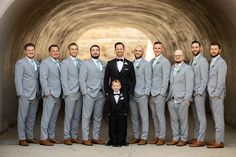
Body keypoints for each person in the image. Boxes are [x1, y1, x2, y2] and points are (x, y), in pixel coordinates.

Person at [104, 42, 135, 145]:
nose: (119, 50)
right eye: (117, 49)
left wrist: (129, 93)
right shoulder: (110, 63)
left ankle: (122, 140)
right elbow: (105, 80)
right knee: (112, 118)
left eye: (121, 48)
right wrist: (108, 93)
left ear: (123, 49)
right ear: (115, 50)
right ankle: (112, 140)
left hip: (125, 94)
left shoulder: (130, 64)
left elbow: (133, 80)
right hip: (112, 94)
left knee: (123, 118)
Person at [79, 45, 106, 146]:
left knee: (98, 117)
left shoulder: (104, 64)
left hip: (101, 94)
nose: (95, 52)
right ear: (90, 52)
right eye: (93, 50)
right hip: (89, 94)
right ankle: (85, 138)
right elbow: (82, 79)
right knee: (86, 116)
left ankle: (95, 137)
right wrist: (85, 92)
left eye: (97, 50)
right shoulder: (85, 64)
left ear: (99, 51)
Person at [166, 49, 194, 146]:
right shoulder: (172, 67)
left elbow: (190, 85)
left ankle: (184, 138)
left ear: (183, 57)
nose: (177, 57)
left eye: (179, 55)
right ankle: (175, 138)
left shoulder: (188, 68)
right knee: (173, 120)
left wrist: (187, 99)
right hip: (171, 98)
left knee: (183, 120)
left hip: (182, 99)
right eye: (175, 55)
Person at [15, 43, 40, 146]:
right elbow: (17, 79)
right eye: (28, 50)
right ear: (25, 51)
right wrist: (20, 93)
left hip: (35, 95)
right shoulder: (20, 63)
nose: (31, 52)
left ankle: (29, 136)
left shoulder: (37, 63)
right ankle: (22, 138)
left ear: (34, 51)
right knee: (22, 117)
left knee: (31, 117)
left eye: (32, 50)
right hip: (25, 94)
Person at [149, 42, 171, 145]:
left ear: (162, 49)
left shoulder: (165, 61)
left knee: (160, 115)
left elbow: (166, 78)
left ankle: (162, 137)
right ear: (153, 49)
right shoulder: (152, 61)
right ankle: (157, 136)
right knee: (154, 116)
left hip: (159, 94)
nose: (157, 50)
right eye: (155, 48)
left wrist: (162, 93)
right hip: (151, 93)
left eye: (159, 48)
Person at [39, 44, 62, 146]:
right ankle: (43, 138)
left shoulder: (59, 63)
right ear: (50, 52)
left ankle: (51, 136)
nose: (56, 52)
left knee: (53, 117)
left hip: (58, 94)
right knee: (46, 116)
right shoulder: (45, 63)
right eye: (53, 51)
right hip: (50, 94)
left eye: (57, 51)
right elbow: (43, 78)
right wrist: (47, 92)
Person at [129, 46, 151, 145]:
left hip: (142, 94)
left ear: (142, 52)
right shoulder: (131, 63)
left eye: (139, 51)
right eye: (136, 50)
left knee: (144, 117)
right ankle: (136, 136)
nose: (137, 52)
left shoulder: (146, 64)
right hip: (132, 95)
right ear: (134, 52)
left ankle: (144, 137)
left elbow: (148, 79)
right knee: (134, 117)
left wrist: (146, 93)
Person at [61, 43, 83, 145]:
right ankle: (66, 137)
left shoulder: (81, 62)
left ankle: (74, 136)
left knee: (76, 116)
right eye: (72, 49)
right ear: (69, 51)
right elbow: (63, 79)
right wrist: (67, 93)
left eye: (76, 49)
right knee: (68, 116)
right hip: (70, 93)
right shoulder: (65, 63)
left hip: (80, 93)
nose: (74, 51)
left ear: (78, 50)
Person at [206, 42, 227, 148]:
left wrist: (216, 94)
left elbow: (221, 80)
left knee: (218, 118)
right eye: (212, 49)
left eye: (215, 49)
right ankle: (217, 138)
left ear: (220, 50)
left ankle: (219, 142)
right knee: (215, 118)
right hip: (212, 94)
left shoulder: (221, 62)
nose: (213, 51)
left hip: (216, 95)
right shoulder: (213, 61)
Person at [188, 41, 208, 147]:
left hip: (199, 93)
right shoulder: (192, 60)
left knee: (201, 117)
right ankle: (196, 136)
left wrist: (200, 92)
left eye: (196, 47)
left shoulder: (203, 61)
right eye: (193, 47)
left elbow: (205, 78)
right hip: (193, 93)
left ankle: (201, 139)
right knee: (195, 116)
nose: (194, 49)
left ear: (200, 48)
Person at [106, 80, 129, 147]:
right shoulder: (109, 96)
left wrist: (125, 113)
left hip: (121, 115)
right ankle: (114, 141)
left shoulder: (124, 95)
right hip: (112, 115)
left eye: (117, 86)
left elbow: (126, 105)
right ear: (112, 87)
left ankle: (120, 141)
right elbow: (108, 105)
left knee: (121, 128)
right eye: (114, 86)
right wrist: (109, 113)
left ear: (120, 86)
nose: (116, 87)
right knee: (112, 128)